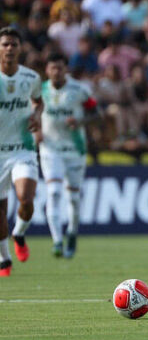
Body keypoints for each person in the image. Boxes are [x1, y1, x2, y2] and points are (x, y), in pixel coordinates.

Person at [39, 53, 101, 258]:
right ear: (47, 70)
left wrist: (80, 122)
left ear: (66, 69)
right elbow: (30, 113)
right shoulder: (40, 90)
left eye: (60, 68)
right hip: (50, 148)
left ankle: (72, 233)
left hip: (75, 148)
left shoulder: (79, 90)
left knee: (73, 198)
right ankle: (57, 240)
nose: (56, 72)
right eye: (52, 68)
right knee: (54, 192)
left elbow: (97, 114)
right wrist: (35, 130)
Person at [0, 26, 43, 276]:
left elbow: (39, 100)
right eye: (5, 44)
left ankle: (20, 232)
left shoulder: (31, 78)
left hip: (22, 150)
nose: (9, 48)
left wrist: (37, 114)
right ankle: (4, 258)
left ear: (20, 48)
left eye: (13, 44)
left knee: (26, 200)